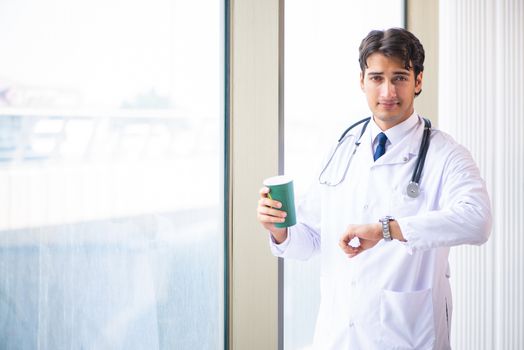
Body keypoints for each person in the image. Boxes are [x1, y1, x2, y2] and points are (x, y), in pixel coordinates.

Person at [256, 28, 492, 350]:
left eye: (400, 77)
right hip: (337, 335)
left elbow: (477, 221)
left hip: (405, 336)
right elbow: (311, 240)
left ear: (418, 81)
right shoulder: (343, 148)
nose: (387, 91)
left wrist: (387, 230)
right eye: (377, 77)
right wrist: (280, 230)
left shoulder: (445, 153)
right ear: (362, 81)